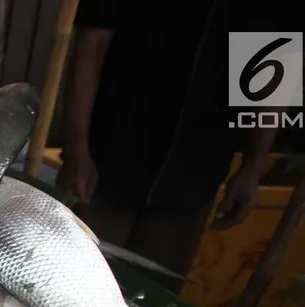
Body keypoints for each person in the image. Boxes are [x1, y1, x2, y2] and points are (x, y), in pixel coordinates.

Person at [57, 0, 285, 284]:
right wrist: (78, 147)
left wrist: (253, 167)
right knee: (73, 281)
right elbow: (92, 42)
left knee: (155, 299)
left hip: (197, 168)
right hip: (109, 155)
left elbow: (273, 63)